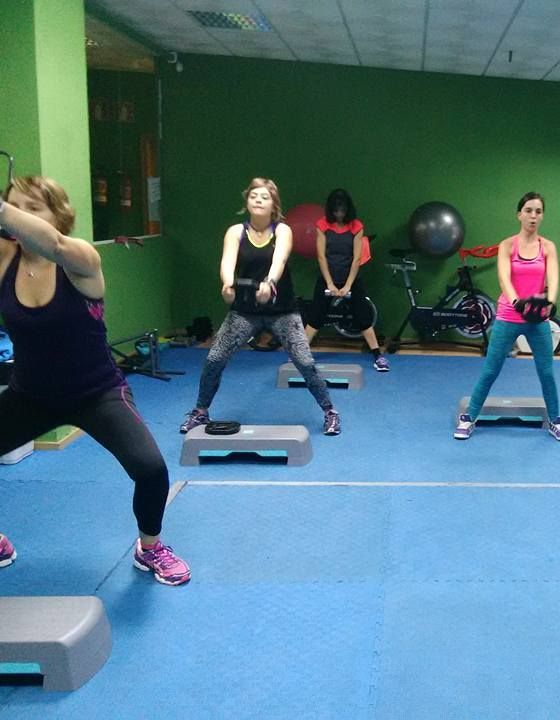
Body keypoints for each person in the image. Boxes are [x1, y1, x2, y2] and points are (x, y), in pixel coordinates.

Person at [0, 175, 190, 585]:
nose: (19, 218)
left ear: (58, 215)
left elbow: (52, 245)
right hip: (30, 394)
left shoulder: (78, 258)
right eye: (14, 207)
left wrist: (2, 211)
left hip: (96, 392)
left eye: (32, 209)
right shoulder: (4, 259)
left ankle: (150, 548)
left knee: (151, 468)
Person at [179, 178, 341, 435]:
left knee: (304, 361)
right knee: (214, 358)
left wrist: (270, 282)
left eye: (264, 197)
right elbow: (227, 263)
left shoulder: (283, 231)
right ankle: (200, 412)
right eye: (254, 196)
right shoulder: (235, 231)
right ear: (247, 201)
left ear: (273, 205)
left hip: (282, 311)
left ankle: (330, 412)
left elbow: (280, 259)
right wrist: (227, 285)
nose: (257, 200)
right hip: (245, 311)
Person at [454, 192, 560, 442]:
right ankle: (469, 418)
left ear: (542, 216)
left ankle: (556, 420)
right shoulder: (508, 245)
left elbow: (554, 277)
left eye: (538, 211)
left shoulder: (548, 247)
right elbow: (504, 278)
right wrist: (518, 303)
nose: (533, 216)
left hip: (537, 319)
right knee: (491, 370)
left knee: (546, 372)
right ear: (519, 214)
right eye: (528, 210)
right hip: (509, 315)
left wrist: (550, 302)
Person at [303, 188, 389, 371]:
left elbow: (356, 258)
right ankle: (299, 355)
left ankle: (378, 356)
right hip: (328, 276)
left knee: (363, 315)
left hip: (351, 276)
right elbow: (321, 256)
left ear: (348, 210)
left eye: (342, 211)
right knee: (315, 316)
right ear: (331, 210)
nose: (339, 214)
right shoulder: (322, 225)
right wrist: (330, 284)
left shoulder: (356, 226)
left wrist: (349, 284)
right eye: (336, 211)